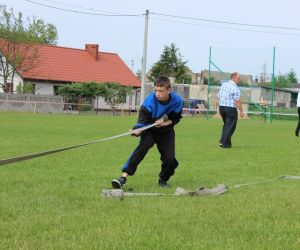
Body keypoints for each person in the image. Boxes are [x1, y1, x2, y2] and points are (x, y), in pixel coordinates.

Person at [111, 76, 183, 189]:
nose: (157, 94)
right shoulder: (149, 102)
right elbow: (141, 122)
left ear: (169, 90)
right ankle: (123, 177)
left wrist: (165, 123)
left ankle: (163, 180)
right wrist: (136, 131)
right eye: (155, 90)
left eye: (161, 91)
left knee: (169, 159)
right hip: (149, 129)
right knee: (142, 149)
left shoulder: (177, 101)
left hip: (166, 132)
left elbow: (176, 118)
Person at [216, 72, 244, 148]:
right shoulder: (235, 88)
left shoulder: (223, 85)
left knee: (226, 125)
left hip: (222, 107)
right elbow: (237, 101)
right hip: (230, 108)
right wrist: (241, 111)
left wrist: (217, 107)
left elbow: (218, 96)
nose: (239, 80)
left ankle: (224, 142)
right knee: (231, 126)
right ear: (234, 78)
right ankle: (224, 143)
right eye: (238, 78)